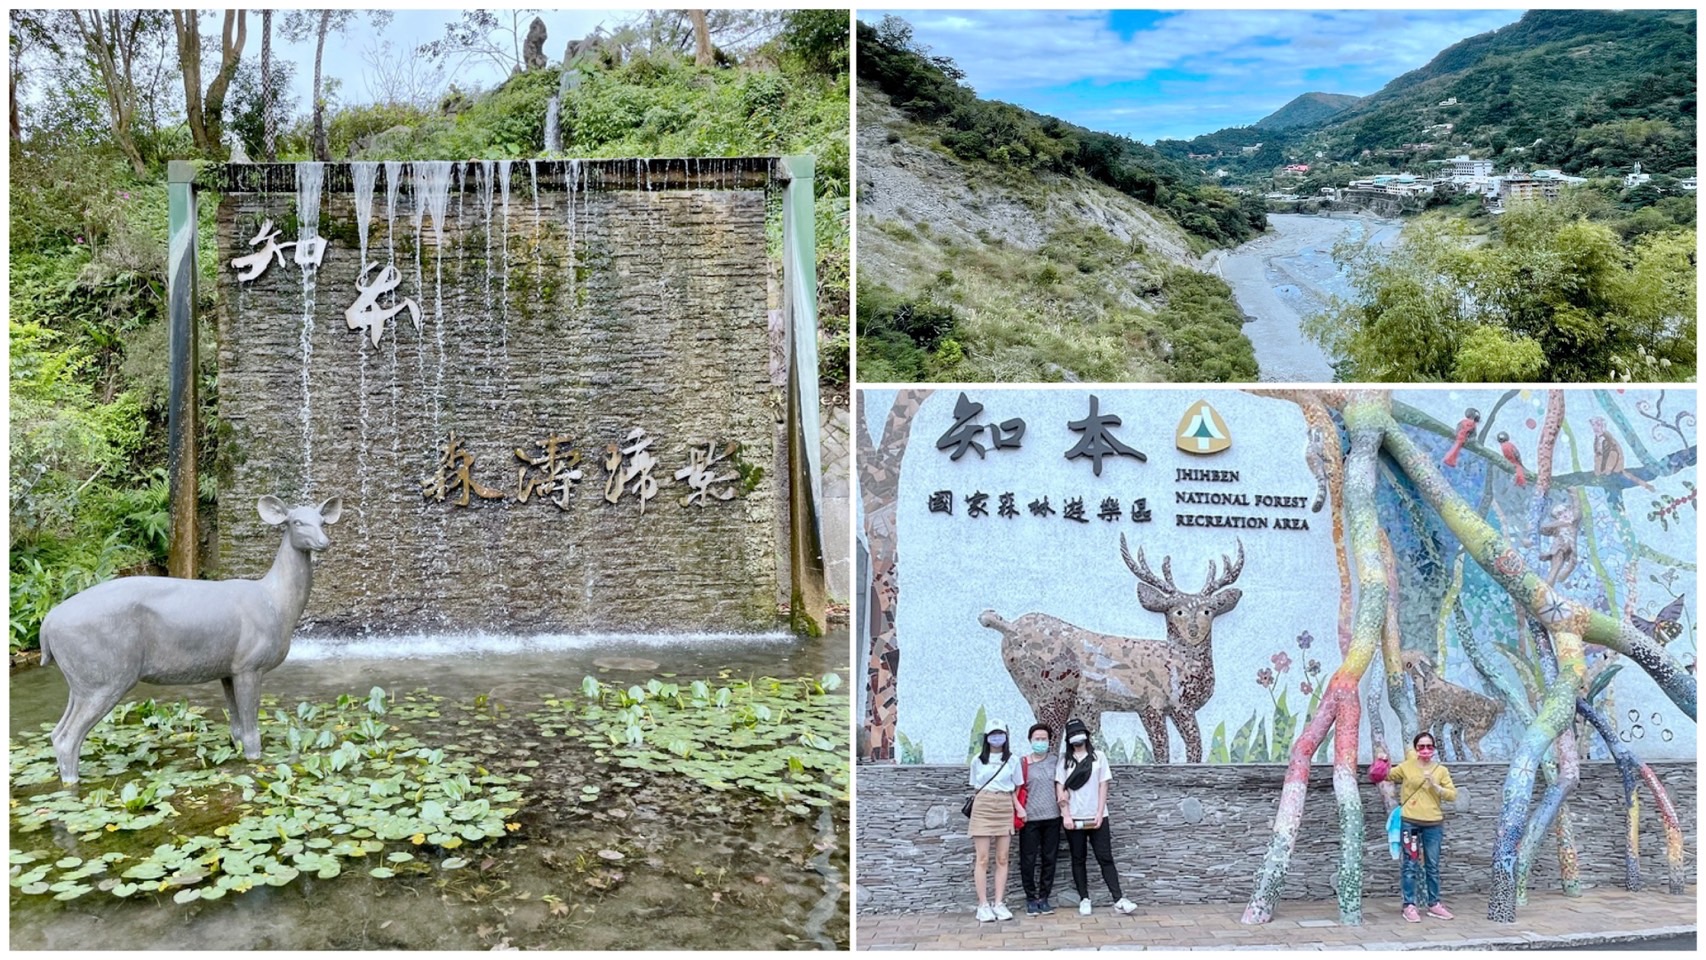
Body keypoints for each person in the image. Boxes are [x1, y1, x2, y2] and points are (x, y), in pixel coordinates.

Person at [1371, 731, 1458, 922]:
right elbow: (1383, 776)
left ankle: (1434, 904)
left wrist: (1436, 786)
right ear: (1416, 748)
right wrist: (1382, 760)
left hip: (1433, 824)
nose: (1425, 750)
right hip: (1410, 822)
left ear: (1433, 749)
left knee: (1432, 866)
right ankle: (1409, 905)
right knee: (1410, 865)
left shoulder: (1440, 770)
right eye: (1421, 747)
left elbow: (1452, 795)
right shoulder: (1407, 766)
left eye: (1429, 746)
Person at [1054, 718, 1137, 916]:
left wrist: (1100, 813)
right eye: (1073, 734)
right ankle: (1084, 898)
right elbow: (1060, 788)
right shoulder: (1064, 760)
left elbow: (1103, 785)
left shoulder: (1098, 757)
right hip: (1074, 817)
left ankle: (1118, 899)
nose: (1078, 738)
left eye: (1080, 733)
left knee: (1105, 857)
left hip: (1098, 816)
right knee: (1078, 858)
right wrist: (1066, 815)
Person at [968, 718, 1025, 922]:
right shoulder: (977, 760)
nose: (997, 737)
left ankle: (999, 902)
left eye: (1000, 733)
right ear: (987, 737)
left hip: (1004, 805)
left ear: (1006, 736)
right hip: (983, 805)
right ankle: (982, 904)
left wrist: (1016, 806)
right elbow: (975, 785)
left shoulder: (1013, 760)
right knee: (982, 858)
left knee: (1002, 857)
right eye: (993, 734)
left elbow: (1017, 785)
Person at [1016, 722, 1063, 915]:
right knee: (1028, 859)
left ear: (1050, 741)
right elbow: (1015, 789)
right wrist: (1019, 809)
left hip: (1053, 817)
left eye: (1044, 739)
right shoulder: (1023, 763)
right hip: (1030, 818)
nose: (1041, 742)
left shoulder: (1056, 761)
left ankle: (1044, 897)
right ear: (1030, 740)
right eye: (1037, 739)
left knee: (1049, 858)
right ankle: (1030, 897)